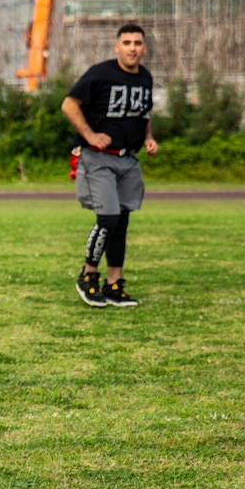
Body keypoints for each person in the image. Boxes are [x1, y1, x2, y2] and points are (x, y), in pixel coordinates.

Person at [62, 23, 158, 308]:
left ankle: (114, 284)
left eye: (137, 43)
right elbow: (69, 104)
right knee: (108, 218)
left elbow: (144, 113)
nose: (132, 48)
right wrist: (90, 134)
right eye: (126, 42)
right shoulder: (101, 73)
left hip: (128, 158)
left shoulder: (145, 78)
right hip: (97, 157)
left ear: (144, 48)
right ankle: (88, 277)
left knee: (122, 221)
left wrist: (149, 137)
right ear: (117, 47)